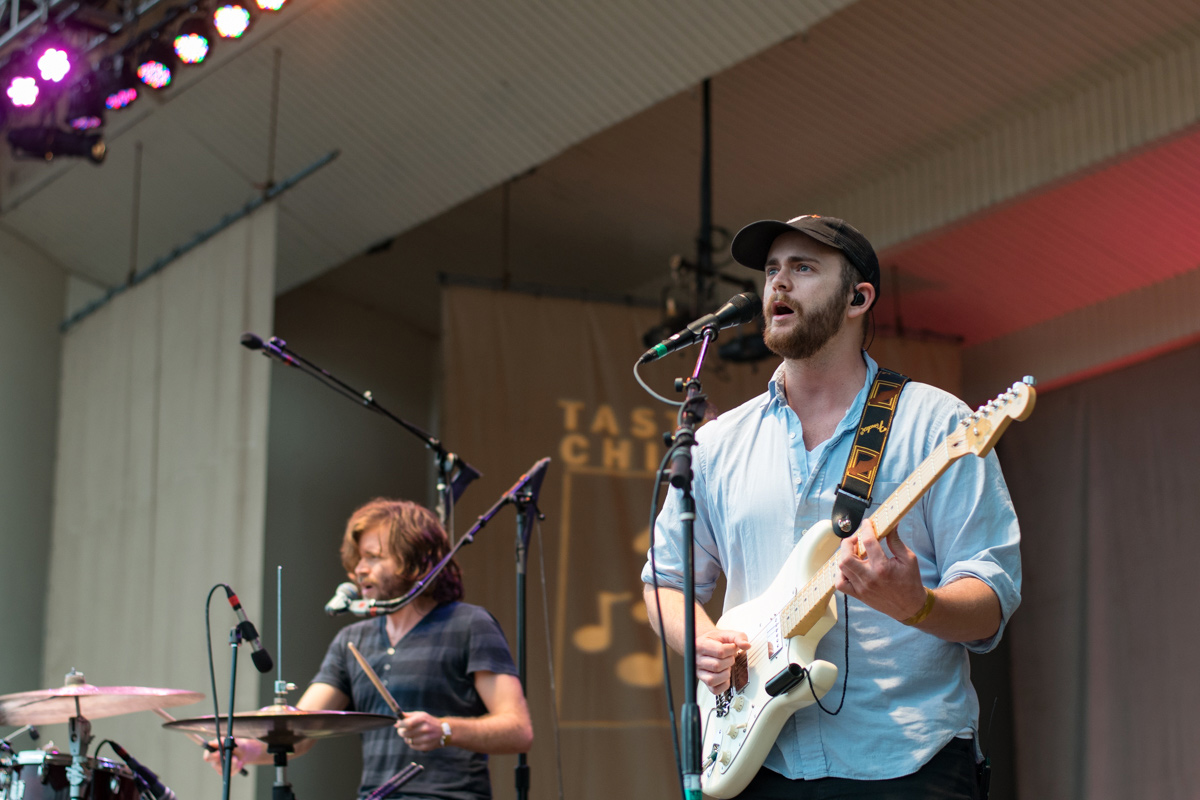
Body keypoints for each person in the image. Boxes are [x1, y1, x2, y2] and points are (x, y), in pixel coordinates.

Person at [641, 214, 1021, 799]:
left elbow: (991, 598)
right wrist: (703, 642)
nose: (778, 284)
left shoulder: (936, 423)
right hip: (758, 763)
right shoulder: (717, 444)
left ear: (858, 298)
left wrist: (916, 606)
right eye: (771, 270)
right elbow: (665, 581)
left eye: (803, 268)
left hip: (906, 762)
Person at [206, 498, 533, 800]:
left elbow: (518, 729)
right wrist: (246, 749)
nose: (359, 568)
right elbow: (301, 732)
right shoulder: (353, 640)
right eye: (359, 558)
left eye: (374, 557)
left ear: (417, 560)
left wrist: (445, 729)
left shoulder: (470, 624)